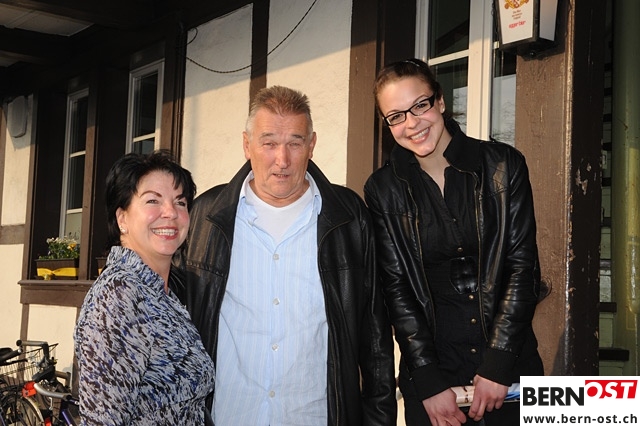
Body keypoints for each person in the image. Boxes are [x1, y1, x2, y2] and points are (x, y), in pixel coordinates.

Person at [171, 85, 397, 425]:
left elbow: (375, 336)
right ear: (247, 145)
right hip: (229, 416)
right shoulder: (206, 217)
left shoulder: (349, 218)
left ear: (312, 145)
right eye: (269, 143)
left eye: (295, 142)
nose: (282, 159)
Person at [364, 58, 544, 426]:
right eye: (396, 116)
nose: (412, 123)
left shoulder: (503, 165)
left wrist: (498, 363)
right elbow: (396, 289)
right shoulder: (382, 190)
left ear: (441, 101)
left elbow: (522, 268)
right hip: (433, 378)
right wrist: (427, 380)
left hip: (510, 370)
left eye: (420, 105)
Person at [74, 151, 215, 425]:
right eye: (153, 200)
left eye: (180, 202)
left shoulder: (163, 293)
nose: (171, 213)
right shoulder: (119, 295)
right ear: (122, 219)